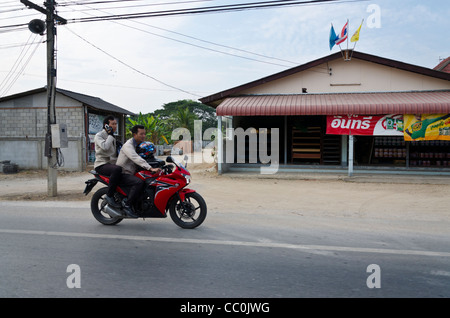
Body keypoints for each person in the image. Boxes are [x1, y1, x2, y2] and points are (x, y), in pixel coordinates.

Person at [116, 125, 160, 218]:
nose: (143, 136)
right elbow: (136, 158)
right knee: (139, 182)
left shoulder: (138, 145)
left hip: (132, 171)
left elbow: (146, 157)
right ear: (135, 134)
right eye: (141, 134)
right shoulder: (128, 145)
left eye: (144, 134)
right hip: (124, 173)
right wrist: (150, 168)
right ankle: (127, 205)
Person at [94, 115, 122, 209]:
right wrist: (110, 135)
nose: (115, 126)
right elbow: (105, 147)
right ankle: (109, 196)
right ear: (106, 125)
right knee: (117, 170)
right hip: (101, 164)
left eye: (116, 124)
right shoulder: (99, 135)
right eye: (113, 124)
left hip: (111, 164)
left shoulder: (113, 137)